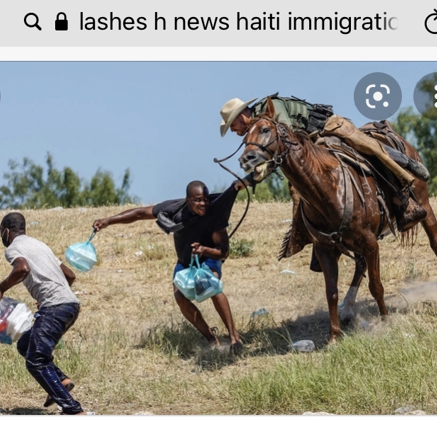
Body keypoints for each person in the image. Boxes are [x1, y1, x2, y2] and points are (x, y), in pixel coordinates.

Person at [219, 95, 430, 262]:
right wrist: (247, 181)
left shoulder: (271, 108)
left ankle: (405, 188)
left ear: (240, 116)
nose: (234, 130)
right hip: (312, 146)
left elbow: (286, 141)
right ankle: (316, 235)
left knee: (369, 149)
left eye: (232, 125)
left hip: (330, 129)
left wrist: (253, 176)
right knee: (301, 189)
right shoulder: (257, 129)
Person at [93, 180, 244, 352]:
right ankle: (211, 338)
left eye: (206, 199)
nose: (203, 204)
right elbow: (140, 213)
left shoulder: (214, 215)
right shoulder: (174, 209)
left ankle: (234, 338)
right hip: (185, 263)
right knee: (180, 297)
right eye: (198, 200)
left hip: (208, 258)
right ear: (188, 200)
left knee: (211, 285)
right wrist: (109, 221)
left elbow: (223, 252)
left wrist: (204, 249)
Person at [0, 212, 86, 415]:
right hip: (70, 306)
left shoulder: (14, 248)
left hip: (55, 307)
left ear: (6, 231)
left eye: (1, 233)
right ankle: (60, 380)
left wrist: (0, 289)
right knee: (25, 344)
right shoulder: (40, 245)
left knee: (36, 361)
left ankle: (73, 410)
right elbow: (70, 275)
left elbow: (22, 268)